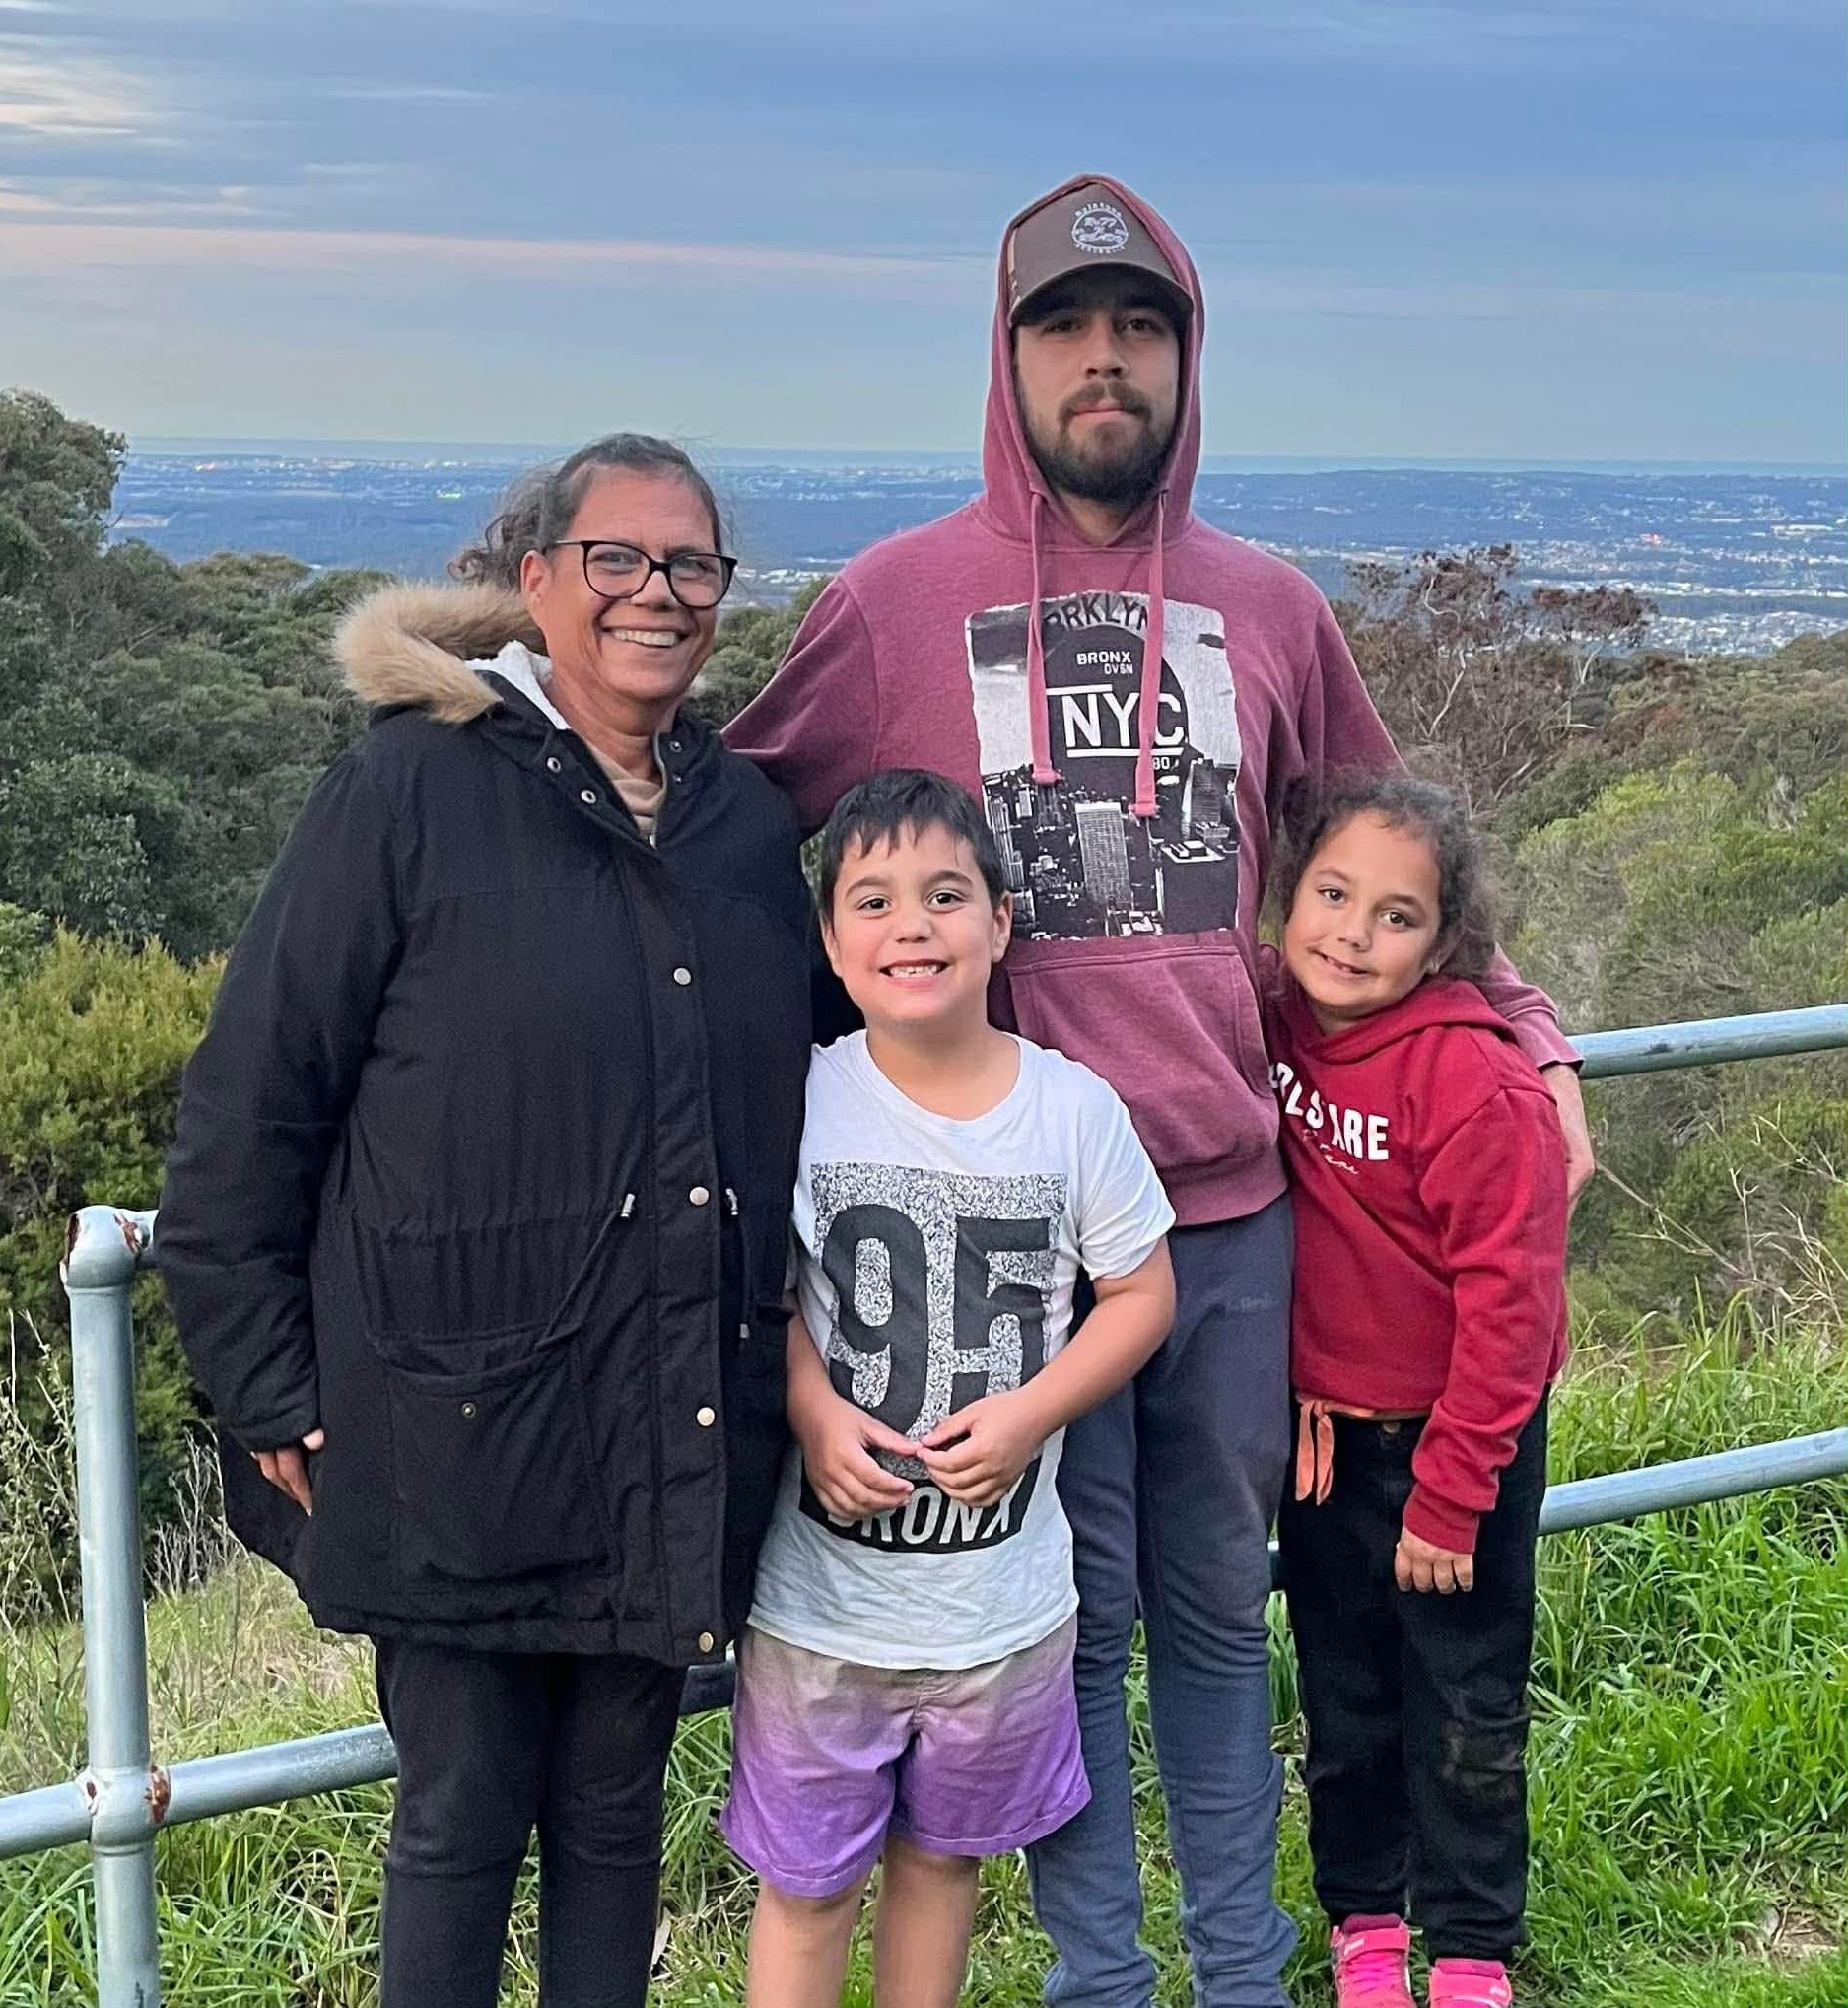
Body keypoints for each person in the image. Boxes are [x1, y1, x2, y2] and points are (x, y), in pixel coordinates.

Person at [726, 174, 1592, 2008]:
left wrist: (1525, 1030)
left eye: (1139, 327)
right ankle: (1103, 1981)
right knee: (1061, 1628)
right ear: (1006, 356)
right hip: (1002, 1238)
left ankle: (1241, 1969)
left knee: (1212, 1620)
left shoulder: (1268, 610)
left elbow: (1392, 856)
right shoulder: (890, 605)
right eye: (1062, 326)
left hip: (1227, 1224)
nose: (1101, 360)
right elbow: (733, 835)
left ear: (1187, 359)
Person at [155, 434, 812, 2008]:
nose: (659, 594)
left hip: (671, 1420)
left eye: (690, 565)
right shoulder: (407, 787)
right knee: (454, 1821)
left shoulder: (742, 829)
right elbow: (249, 1112)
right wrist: (265, 1386)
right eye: (620, 559)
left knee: (613, 1823)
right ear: (534, 580)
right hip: (454, 1427)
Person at [720, 769, 1178, 2008]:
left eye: (943, 896)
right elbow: (756, 1298)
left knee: (944, 1863)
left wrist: (1033, 1412)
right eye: (871, 901)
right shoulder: (801, 1101)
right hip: (820, 1608)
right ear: (828, 940)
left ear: (1000, 925)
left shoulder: (1073, 1111)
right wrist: (811, 1408)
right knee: (806, 1887)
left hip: (1002, 1608)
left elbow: (1141, 1294)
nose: (910, 926)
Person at [1263, 775, 1568, 2008]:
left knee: (1465, 1705)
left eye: (1394, 916)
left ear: (1444, 943)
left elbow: (1514, 1311)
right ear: (1286, 900)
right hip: (1327, 1446)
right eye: (1329, 894)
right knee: (1343, 1698)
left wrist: (1450, 1495)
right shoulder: (1275, 1022)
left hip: (1456, 1451)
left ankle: (1473, 1946)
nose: (1349, 932)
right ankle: (1367, 1924)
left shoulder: (1472, 1085)